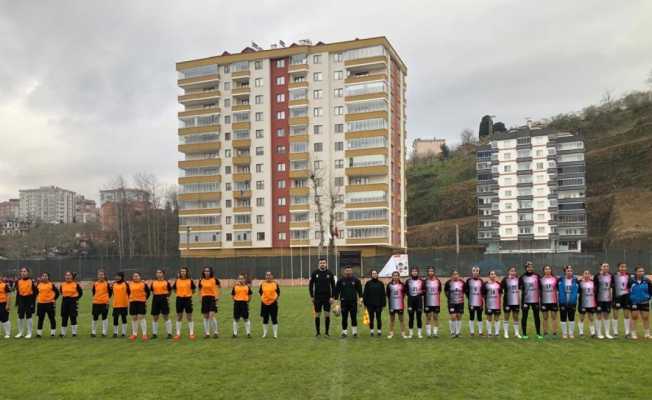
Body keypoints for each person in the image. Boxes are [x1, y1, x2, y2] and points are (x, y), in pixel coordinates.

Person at [309, 257, 335, 337]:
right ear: (319, 264)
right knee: (317, 314)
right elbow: (310, 285)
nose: (322, 264)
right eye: (321, 263)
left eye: (324, 263)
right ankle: (318, 333)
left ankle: (327, 332)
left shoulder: (330, 273)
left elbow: (333, 286)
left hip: (327, 297)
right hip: (317, 298)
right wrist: (312, 296)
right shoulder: (315, 273)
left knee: (327, 314)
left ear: (326, 264)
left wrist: (332, 297)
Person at [334, 266, 363, 338]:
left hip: (353, 302)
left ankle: (354, 332)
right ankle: (344, 332)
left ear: (351, 271)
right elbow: (337, 291)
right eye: (347, 271)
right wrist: (336, 303)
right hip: (344, 302)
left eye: (349, 271)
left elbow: (360, 291)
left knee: (354, 317)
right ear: (344, 272)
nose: (348, 272)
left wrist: (360, 300)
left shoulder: (356, 280)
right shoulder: (340, 280)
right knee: (344, 318)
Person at [519, 262, 542, 340]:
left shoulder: (537, 276)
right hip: (525, 300)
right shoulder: (522, 277)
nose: (530, 268)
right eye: (528, 267)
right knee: (524, 317)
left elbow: (540, 287)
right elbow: (520, 288)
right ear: (526, 268)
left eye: (531, 267)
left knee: (537, 317)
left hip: (535, 300)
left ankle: (538, 333)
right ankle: (524, 334)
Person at [629, 265, 652, 340]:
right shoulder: (631, 280)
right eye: (639, 271)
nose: (641, 272)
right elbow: (627, 290)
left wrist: (648, 297)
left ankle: (647, 334)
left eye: (642, 271)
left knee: (646, 317)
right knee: (634, 317)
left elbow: (650, 290)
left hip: (644, 301)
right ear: (636, 272)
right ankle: (633, 334)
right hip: (634, 302)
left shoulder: (647, 280)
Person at [173, 266, 196, 340]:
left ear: (186, 272)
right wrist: (179, 294)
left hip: (188, 299)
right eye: (181, 271)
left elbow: (193, 290)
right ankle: (178, 334)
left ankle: (191, 333)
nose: (183, 272)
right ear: (180, 272)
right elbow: (174, 289)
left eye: (184, 271)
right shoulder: (177, 280)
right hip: (179, 299)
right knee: (179, 316)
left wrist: (188, 294)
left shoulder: (190, 280)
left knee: (189, 316)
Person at [150, 269, 172, 339]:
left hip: (164, 299)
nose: (158, 274)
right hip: (155, 299)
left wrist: (167, 297)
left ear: (163, 274)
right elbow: (152, 291)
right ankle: (154, 334)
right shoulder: (153, 282)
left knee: (166, 316)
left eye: (160, 272)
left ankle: (169, 333)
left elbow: (169, 291)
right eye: (157, 273)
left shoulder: (166, 282)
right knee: (155, 317)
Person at [15, 266, 36, 339]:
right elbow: (18, 292)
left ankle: (29, 333)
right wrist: (17, 302)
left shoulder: (31, 281)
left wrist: (33, 302)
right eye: (22, 271)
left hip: (29, 300)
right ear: (20, 273)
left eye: (25, 271)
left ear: (28, 273)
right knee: (20, 317)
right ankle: (20, 332)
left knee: (29, 316)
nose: (23, 273)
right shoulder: (18, 281)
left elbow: (36, 292)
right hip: (21, 300)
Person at [558, 265, 579, 339]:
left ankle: (571, 333)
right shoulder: (560, 280)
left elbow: (578, 290)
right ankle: (564, 333)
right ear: (565, 272)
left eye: (571, 271)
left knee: (571, 318)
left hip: (572, 302)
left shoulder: (575, 280)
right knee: (563, 318)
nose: (569, 272)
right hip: (563, 301)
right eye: (568, 271)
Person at [199, 266, 221, 338]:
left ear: (210, 272)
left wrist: (217, 296)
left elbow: (218, 287)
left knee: (211, 315)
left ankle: (216, 332)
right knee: (206, 316)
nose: (207, 272)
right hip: (204, 298)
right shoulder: (201, 280)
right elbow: (200, 289)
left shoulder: (214, 280)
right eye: (205, 271)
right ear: (203, 272)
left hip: (212, 298)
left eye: (208, 271)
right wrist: (201, 297)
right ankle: (207, 333)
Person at [128, 272, 150, 341]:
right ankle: (134, 334)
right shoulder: (130, 284)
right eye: (134, 276)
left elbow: (148, 292)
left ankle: (144, 334)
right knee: (134, 318)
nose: (135, 277)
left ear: (140, 277)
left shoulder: (143, 284)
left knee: (141, 317)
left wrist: (144, 299)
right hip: (133, 302)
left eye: (137, 276)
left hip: (141, 302)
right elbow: (128, 292)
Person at [594, 263, 614, 339]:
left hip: (608, 299)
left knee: (606, 315)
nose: (605, 267)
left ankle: (607, 333)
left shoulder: (611, 276)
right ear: (601, 267)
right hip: (599, 299)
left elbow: (612, 286)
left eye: (607, 266)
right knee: (598, 315)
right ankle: (598, 333)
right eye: (604, 266)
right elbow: (594, 287)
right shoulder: (597, 276)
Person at [59, 271, 83, 337]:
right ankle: (63, 333)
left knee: (73, 317)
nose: (68, 277)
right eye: (66, 275)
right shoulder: (62, 284)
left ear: (72, 277)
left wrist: (76, 299)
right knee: (64, 317)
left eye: (69, 275)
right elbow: (61, 292)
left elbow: (80, 293)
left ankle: (74, 333)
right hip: (65, 301)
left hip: (73, 302)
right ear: (64, 277)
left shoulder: (76, 284)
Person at [363, 269, 385, 337]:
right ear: (371, 275)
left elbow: (383, 294)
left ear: (377, 274)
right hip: (370, 305)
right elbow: (365, 294)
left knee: (379, 318)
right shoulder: (368, 283)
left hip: (378, 304)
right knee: (371, 318)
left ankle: (379, 331)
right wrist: (365, 304)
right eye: (373, 273)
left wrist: (383, 304)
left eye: (375, 273)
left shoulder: (381, 283)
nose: (374, 274)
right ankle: (371, 331)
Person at [36, 272, 59, 338]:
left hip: (50, 304)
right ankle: (39, 333)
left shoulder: (51, 284)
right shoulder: (39, 285)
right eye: (43, 276)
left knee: (51, 318)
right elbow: (36, 293)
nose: (44, 277)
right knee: (40, 319)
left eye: (46, 276)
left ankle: (53, 333)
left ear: (48, 277)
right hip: (41, 304)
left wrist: (53, 299)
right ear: (41, 277)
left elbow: (57, 293)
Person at [613, 262, 632, 338]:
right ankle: (615, 332)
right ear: (618, 268)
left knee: (626, 315)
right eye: (621, 267)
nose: (623, 268)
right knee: (615, 315)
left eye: (624, 267)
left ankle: (627, 332)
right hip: (617, 297)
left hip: (626, 297)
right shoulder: (614, 275)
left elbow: (630, 286)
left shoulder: (629, 276)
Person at [501, 266, 521, 339]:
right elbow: (500, 289)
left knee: (516, 317)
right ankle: (506, 333)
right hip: (507, 301)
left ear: (516, 272)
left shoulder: (518, 280)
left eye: (514, 271)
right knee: (506, 317)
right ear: (508, 272)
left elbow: (520, 289)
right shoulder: (505, 280)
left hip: (516, 301)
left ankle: (517, 333)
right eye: (511, 271)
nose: (513, 272)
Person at [386, 271, 406, 339]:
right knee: (392, 320)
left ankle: (403, 334)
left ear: (399, 276)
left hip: (400, 305)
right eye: (394, 275)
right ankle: (391, 333)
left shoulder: (402, 285)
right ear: (392, 277)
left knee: (401, 320)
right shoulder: (389, 285)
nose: (395, 277)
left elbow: (404, 294)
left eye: (397, 275)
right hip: (392, 305)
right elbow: (388, 295)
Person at [259, 271, 280, 338]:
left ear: (272, 276)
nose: (268, 276)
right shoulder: (262, 284)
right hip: (264, 303)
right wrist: (264, 299)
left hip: (273, 303)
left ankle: (275, 334)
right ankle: (265, 334)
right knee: (265, 319)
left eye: (269, 275)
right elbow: (260, 292)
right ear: (265, 276)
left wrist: (274, 300)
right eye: (267, 275)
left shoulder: (275, 284)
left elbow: (278, 293)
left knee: (274, 318)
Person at [91, 269, 112, 338]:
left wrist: (106, 299)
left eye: (102, 275)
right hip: (96, 302)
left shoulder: (107, 284)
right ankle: (93, 332)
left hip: (105, 303)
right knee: (95, 317)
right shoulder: (95, 284)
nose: (101, 276)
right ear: (97, 276)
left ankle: (104, 332)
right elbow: (94, 292)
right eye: (99, 275)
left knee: (104, 317)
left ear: (104, 276)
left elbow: (110, 293)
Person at [444, 270, 465, 338]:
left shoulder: (462, 282)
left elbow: (465, 290)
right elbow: (446, 291)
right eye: (454, 274)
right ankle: (452, 332)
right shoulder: (448, 282)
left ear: (458, 275)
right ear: (451, 275)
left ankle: (458, 333)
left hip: (460, 302)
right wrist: (450, 298)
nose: (455, 276)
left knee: (459, 316)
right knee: (453, 317)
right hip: (451, 302)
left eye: (457, 274)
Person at [405, 267, 425, 338]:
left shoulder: (422, 281)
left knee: (419, 317)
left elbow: (424, 290)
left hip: (419, 301)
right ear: (411, 272)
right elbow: (406, 290)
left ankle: (419, 333)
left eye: (416, 271)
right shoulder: (408, 281)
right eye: (413, 271)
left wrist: (421, 292)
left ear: (418, 272)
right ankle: (411, 333)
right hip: (410, 301)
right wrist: (410, 295)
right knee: (411, 317)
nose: (414, 272)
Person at [465, 266, 484, 337]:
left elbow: (483, 292)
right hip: (471, 302)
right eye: (474, 270)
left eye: (477, 271)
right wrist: (469, 298)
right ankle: (472, 332)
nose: (475, 272)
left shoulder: (481, 281)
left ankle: (480, 332)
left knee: (479, 317)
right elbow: (466, 290)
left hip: (479, 302)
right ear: (472, 272)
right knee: (471, 316)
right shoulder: (468, 280)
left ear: (479, 272)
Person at [577, 270, 597, 338]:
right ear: (583, 275)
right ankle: (581, 332)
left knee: (591, 318)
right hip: (583, 302)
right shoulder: (580, 283)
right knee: (582, 318)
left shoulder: (593, 283)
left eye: (588, 273)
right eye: (585, 273)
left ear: (590, 275)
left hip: (591, 303)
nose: (587, 275)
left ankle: (592, 332)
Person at [232, 274, 252, 338]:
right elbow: (232, 295)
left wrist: (247, 302)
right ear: (238, 279)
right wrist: (236, 300)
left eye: (242, 278)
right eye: (239, 278)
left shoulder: (247, 287)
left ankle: (248, 333)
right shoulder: (235, 287)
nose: (241, 280)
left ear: (244, 279)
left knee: (246, 318)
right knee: (236, 318)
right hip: (237, 303)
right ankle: (235, 334)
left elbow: (250, 296)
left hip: (244, 304)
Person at [540, 265, 559, 338]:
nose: (547, 270)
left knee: (554, 317)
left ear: (551, 270)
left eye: (549, 269)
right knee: (545, 318)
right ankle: (545, 333)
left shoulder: (555, 279)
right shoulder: (541, 280)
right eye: (546, 269)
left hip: (553, 301)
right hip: (544, 301)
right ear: (544, 271)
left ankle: (554, 333)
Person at [423, 266, 442, 338]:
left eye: (432, 271)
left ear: (434, 272)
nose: (431, 272)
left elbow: (439, 290)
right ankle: (428, 333)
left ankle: (435, 333)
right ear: (428, 272)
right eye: (429, 271)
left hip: (436, 302)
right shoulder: (425, 281)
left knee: (435, 317)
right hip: (427, 301)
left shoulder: (438, 281)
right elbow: (423, 290)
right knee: (428, 317)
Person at [484, 270, 502, 337]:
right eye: (491, 274)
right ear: (489, 276)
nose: (493, 275)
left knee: (497, 318)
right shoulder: (485, 284)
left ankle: (497, 333)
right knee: (489, 318)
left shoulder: (499, 284)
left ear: (495, 276)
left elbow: (500, 294)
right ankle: (489, 333)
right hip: (489, 304)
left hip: (497, 304)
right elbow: (483, 294)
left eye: (494, 274)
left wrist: (499, 302)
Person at [111, 272, 129, 338]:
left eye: (118, 276)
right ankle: (115, 333)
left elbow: (129, 293)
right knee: (115, 318)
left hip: (124, 304)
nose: (117, 277)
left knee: (124, 318)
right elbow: (112, 293)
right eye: (116, 276)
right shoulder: (113, 284)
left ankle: (124, 333)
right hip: (116, 304)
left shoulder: (126, 284)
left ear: (122, 277)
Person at [0, 274, 11, 338]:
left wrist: (7, 304)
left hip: (3, 303)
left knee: (4, 318)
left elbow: (8, 295)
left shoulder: (4, 285)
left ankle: (7, 333)